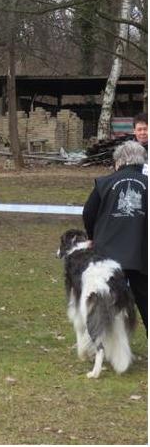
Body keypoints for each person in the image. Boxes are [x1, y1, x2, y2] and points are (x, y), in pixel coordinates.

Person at [82, 140, 148, 334]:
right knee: (146, 301)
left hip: (107, 253)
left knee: (104, 302)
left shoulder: (104, 183)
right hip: (142, 255)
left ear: (119, 161)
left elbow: (88, 213)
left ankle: (99, 343)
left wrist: (92, 237)